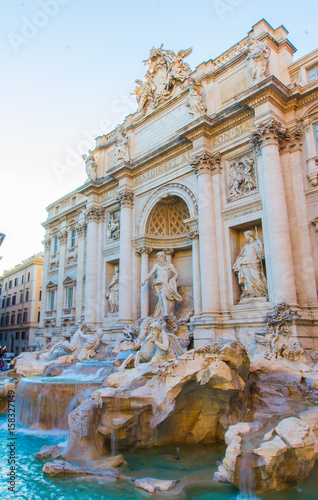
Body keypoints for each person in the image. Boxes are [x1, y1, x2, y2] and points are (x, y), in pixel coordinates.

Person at [141, 251, 182, 319]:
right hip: (158, 284)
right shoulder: (156, 265)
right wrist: (144, 280)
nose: (158, 259)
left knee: (163, 296)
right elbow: (150, 273)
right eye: (158, 257)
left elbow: (176, 273)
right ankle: (164, 313)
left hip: (166, 284)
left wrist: (173, 279)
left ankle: (166, 313)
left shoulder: (169, 265)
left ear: (163, 257)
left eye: (159, 257)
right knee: (161, 298)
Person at [233, 230, 267, 299]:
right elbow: (242, 255)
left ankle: (262, 292)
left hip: (254, 263)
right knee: (248, 280)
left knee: (256, 277)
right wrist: (239, 262)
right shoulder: (246, 245)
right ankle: (251, 293)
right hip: (246, 263)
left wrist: (260, 244)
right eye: (245, 236)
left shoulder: (256, 243)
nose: (246, 237)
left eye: (246, 236)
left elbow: (260, 254)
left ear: (250, 235)